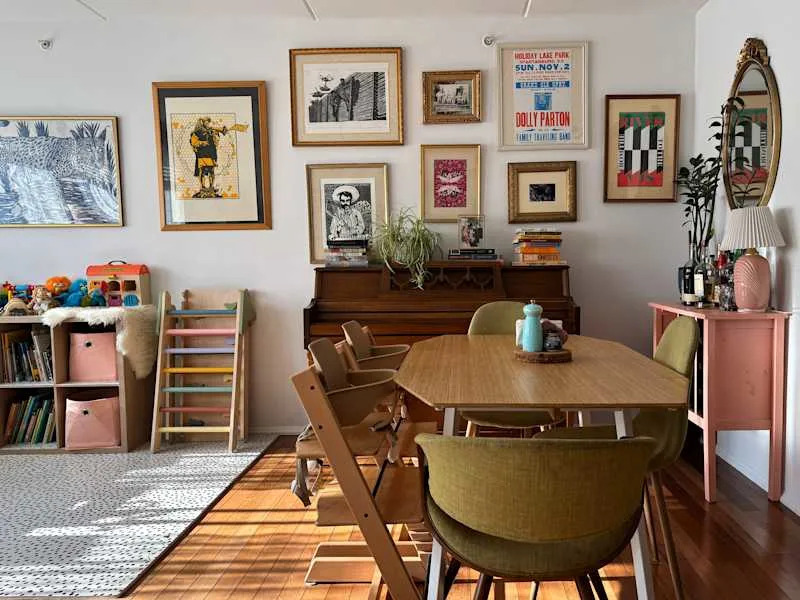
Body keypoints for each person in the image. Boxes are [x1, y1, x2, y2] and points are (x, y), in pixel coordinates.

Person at [190, 117, 227, 197]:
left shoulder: (211, 131)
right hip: (202, 154)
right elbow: (194, 142)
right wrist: (203, 143)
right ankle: (203, 187)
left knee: (211, 171)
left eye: (208, 122)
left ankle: (211, 187)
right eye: (206, 122)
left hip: (211, 154)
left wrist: (216, 134)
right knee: (202, 171)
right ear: (202, 123)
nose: (208, 124)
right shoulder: (197, 132)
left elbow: (217, 139)